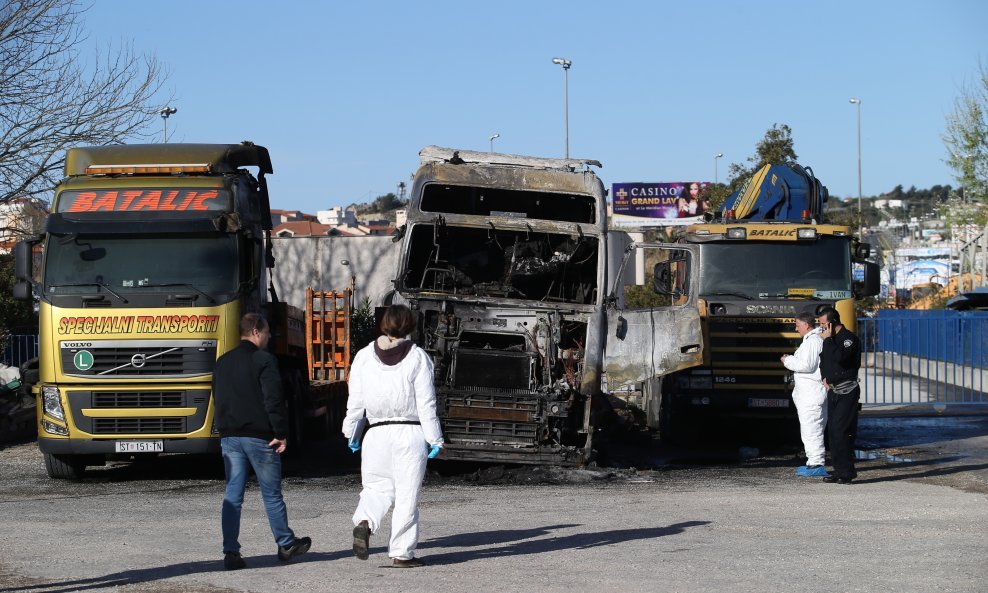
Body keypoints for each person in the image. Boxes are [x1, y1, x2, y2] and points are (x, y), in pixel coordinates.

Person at [342, 304, 444, 568]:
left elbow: (356, 401)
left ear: (383, 324)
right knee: (406, 495)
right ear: (410, 326)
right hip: (409, 433)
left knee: (376, 488)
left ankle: (365, 521)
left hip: (375, 433)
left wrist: (351, 432)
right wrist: (435, 439)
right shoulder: (418, 357)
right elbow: (426, 403)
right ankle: (401, 553)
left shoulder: (363, 356)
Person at [212, 313, 311, 570]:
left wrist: (223, 429)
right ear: (256, 331)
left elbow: (218, 398)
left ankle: (231, 553)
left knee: (233, 496)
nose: (269, 337)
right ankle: (286, 543)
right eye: (267, 332)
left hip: (230, 436)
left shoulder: (222, 362)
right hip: (259, 437)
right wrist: (281, 432)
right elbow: (273, 399)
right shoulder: (264, 360)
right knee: (271, 494)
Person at [817, 306, 863, 484]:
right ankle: (838, 470)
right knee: (833, 432)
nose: (821, 327)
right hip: (833, 390)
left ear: (832, 322)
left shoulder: (847, 339)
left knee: (841, 430)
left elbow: (841, 359)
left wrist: (829, 340)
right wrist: (824, 378)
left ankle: (847, 472)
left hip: (847, 390)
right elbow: (824, 361)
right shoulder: (830, 339)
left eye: (823, 323)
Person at [781, 312, 829, 478]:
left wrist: (787, 361)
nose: (796, 328)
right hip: (810, 395)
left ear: (806, 325)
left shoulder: (812, 342)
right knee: (811, 430)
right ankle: (812, 462)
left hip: (811, 395)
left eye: (798, 325)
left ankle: (816, 463)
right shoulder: (811, 341)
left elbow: (807, 365)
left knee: (812, 430)